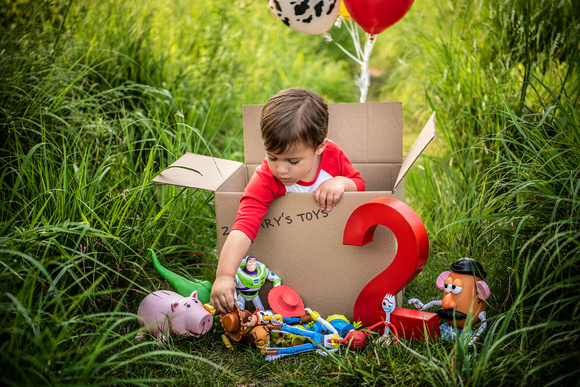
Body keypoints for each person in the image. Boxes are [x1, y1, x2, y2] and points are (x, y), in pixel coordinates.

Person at [210, 88, 365, 314]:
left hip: (333, 255)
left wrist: (342, 183)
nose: (281, 169)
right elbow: (243, 226)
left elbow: (359, 184)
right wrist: (224, 275)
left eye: (293, 161)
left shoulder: (332, 156)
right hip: (291, 267)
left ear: (319, 147)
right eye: (272, 157)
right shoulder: (266, 178)